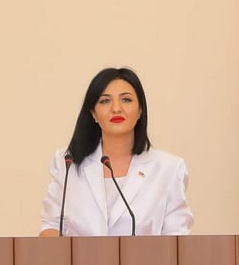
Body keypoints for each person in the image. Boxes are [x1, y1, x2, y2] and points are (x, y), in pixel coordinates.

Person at [40, 67, 193, 236]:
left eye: (126, 100)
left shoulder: (169, 169)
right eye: (105, 101)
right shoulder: (68, 163)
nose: (116, 108)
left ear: (140, 110)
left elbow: (176, 237)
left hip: (145, 255)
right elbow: (51, 226)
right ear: (93, 113)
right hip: (79, 255)